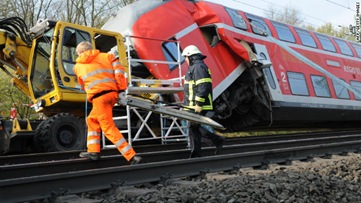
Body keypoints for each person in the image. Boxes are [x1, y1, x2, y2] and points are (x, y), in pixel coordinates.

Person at [73, 41, 141, 165]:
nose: (78, 56)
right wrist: (121, 90)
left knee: (108, 127)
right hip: (112, 95)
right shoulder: (108, 56)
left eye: (78, 54)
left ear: (81, 52)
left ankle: (131, 156)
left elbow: (82, 85)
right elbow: (120, 73)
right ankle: (93, 151)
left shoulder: (78, 66)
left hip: (99, 98)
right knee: (92, 120)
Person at [182, 45, 225, 158]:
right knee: (194, 128)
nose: (185, 60)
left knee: (193, 128)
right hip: (193, 105)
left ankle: (197, 154)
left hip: (198, 106)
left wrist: (198, 104)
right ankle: (216, 140)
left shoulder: (198, 67)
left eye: (185, 57)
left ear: (191, 56)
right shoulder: (196, 67)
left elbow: (203, 86)